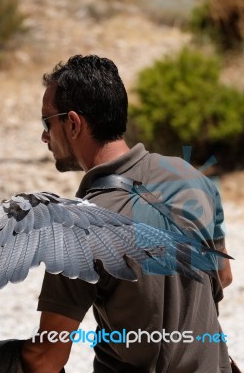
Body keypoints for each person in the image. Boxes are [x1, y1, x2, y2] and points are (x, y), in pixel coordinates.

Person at [19, 54, 233, 372]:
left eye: (47, 123)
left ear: (74, 123)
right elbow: (224, 276)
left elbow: (45, 358)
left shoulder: (78, 228)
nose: (44, 136)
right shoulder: (190, 176)